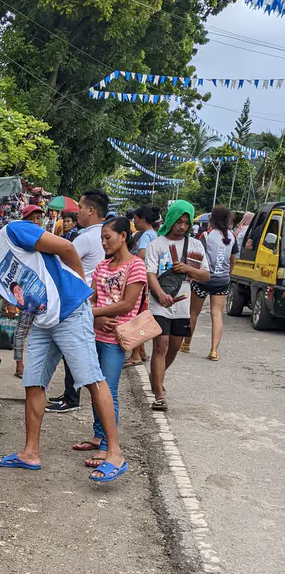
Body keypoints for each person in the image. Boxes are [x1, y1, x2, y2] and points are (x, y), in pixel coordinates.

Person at [0, 221, 128, 483]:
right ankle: (30, 453)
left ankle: (115, 454)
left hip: (70, 312)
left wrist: (80, 285)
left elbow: (66, 247)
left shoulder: (13, 233)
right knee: (33, 383)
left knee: (92, 380)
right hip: (42, 322)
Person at [72, 217, 146, 467]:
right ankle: (97, 435)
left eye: (108, 237)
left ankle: (106, 446)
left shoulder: (136, 266)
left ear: (123, 236)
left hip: (117, 337)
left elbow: (127, 303)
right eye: (102, 238)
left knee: (108, 390)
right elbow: (91, 299)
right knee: (95, 388)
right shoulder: (102, 266)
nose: (104, 242)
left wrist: (93, 315)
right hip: (96, 334)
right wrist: (96, 320)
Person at [46, 189, 108, 414]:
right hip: (94, 297)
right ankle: (70, 394)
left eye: (80, 208)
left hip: (81, 298)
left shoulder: (87, 237)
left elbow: (63, 257)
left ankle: (72, 398)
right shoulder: (103, 233)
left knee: (74, 348)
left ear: (91, 210)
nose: (77, 212)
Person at [145, 200, 209, 410]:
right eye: (178, 221)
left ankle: (157, 375)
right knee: (160, 345)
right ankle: (159, 394)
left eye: (186, 222)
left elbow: (205, 275)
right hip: (159, 303)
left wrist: (188, 269)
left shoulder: (196, 246)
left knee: (173, 347)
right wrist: (160, 294)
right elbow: (150, 274)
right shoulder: (157, 244)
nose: (182, 226)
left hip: (182, 304)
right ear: (171, 219)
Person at [186, 204, 238, 361]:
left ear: (212, 219)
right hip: (222, 281)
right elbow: (233, 260)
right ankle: (214, 351)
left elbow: (197, 258)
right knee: (217, 315)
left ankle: (186, 344)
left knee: (193, 313)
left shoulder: (206, 236)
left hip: (203, 279)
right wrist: (228, 272)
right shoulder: (232, 237)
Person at [126, 205, 159, 364]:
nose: (134, 222)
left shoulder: (146, 236)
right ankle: (142, 352)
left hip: (142, 280)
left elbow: (142, 255)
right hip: (150, 280)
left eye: (136, 219)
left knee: (137, 316)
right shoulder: (155, 234)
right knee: (142, 314)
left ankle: (136, 355)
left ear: (143, 219)